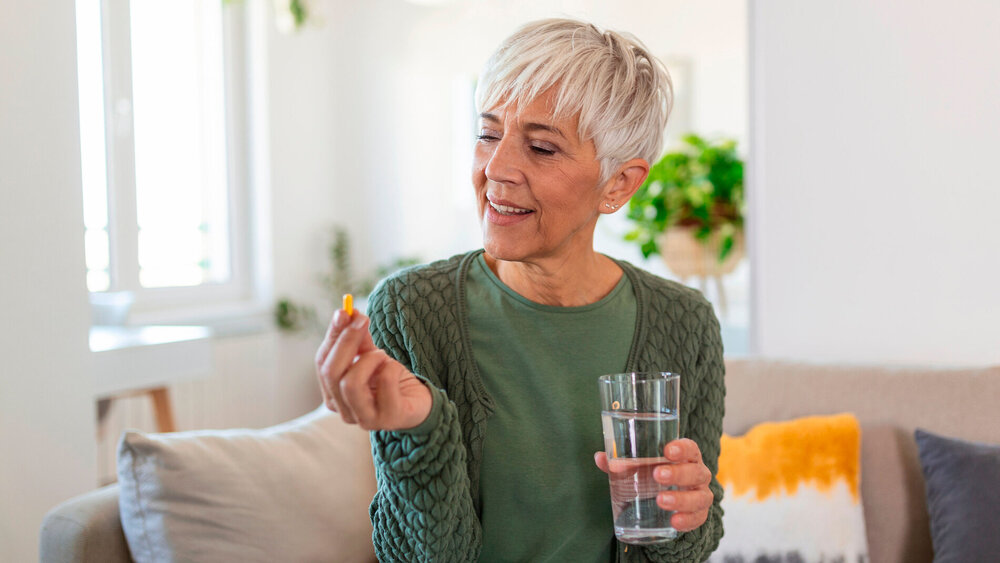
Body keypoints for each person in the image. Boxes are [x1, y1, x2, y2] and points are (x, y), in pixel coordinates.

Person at [315, 18, 725, 563]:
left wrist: (687, 514)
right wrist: (420, 430)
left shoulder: (685, 320)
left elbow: (686, 540)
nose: (497, 168)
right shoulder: (412, 309)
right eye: (488, 134)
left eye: (542, 148)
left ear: (619, 183)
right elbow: (422, 557)